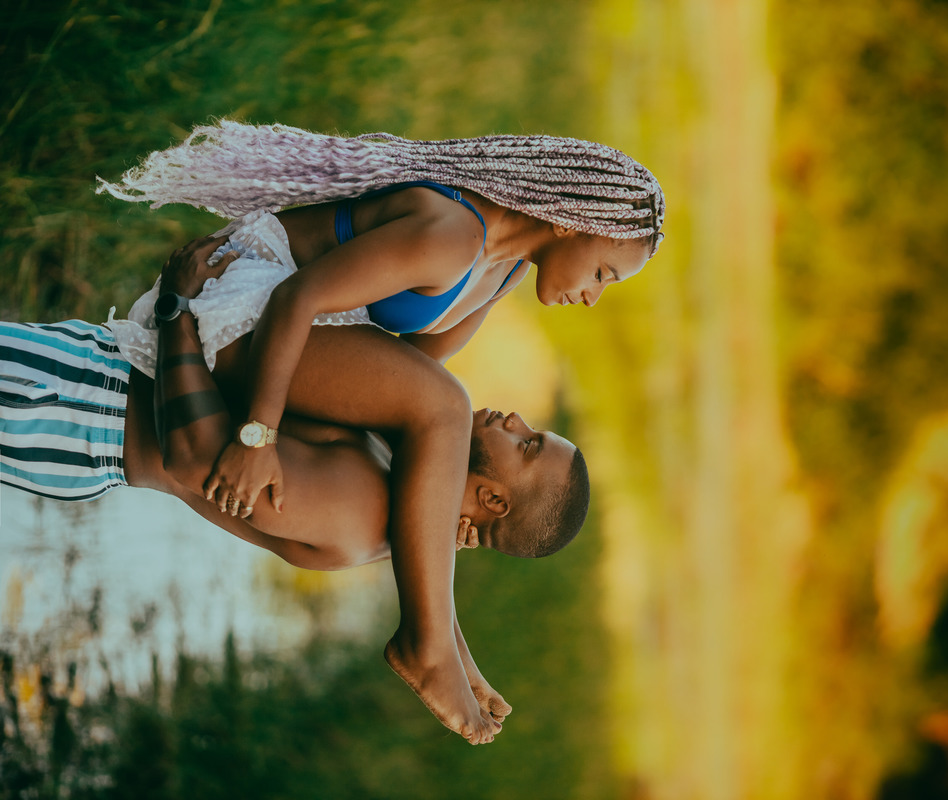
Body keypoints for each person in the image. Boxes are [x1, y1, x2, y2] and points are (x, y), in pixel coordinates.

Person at [0, 236, 589, 743]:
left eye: (529, 444)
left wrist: (176, 308)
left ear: (493, 501)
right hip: (82, 371)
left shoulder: (362, 512)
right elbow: (418, 383)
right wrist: (516, 262)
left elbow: (192, 458)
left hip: (73, 412)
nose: (515, 419)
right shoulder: (391, 464)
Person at [97, 119, 665, 513]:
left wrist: (451, 493)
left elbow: (411, 370)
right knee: (434, 411)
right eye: (603, 275)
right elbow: (299, 297)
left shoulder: (507, 268)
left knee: (382, 457)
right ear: (571, 221)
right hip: (254, 291)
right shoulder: (454, 237)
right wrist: (256, 436)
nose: (593, 296)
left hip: (298, 322)